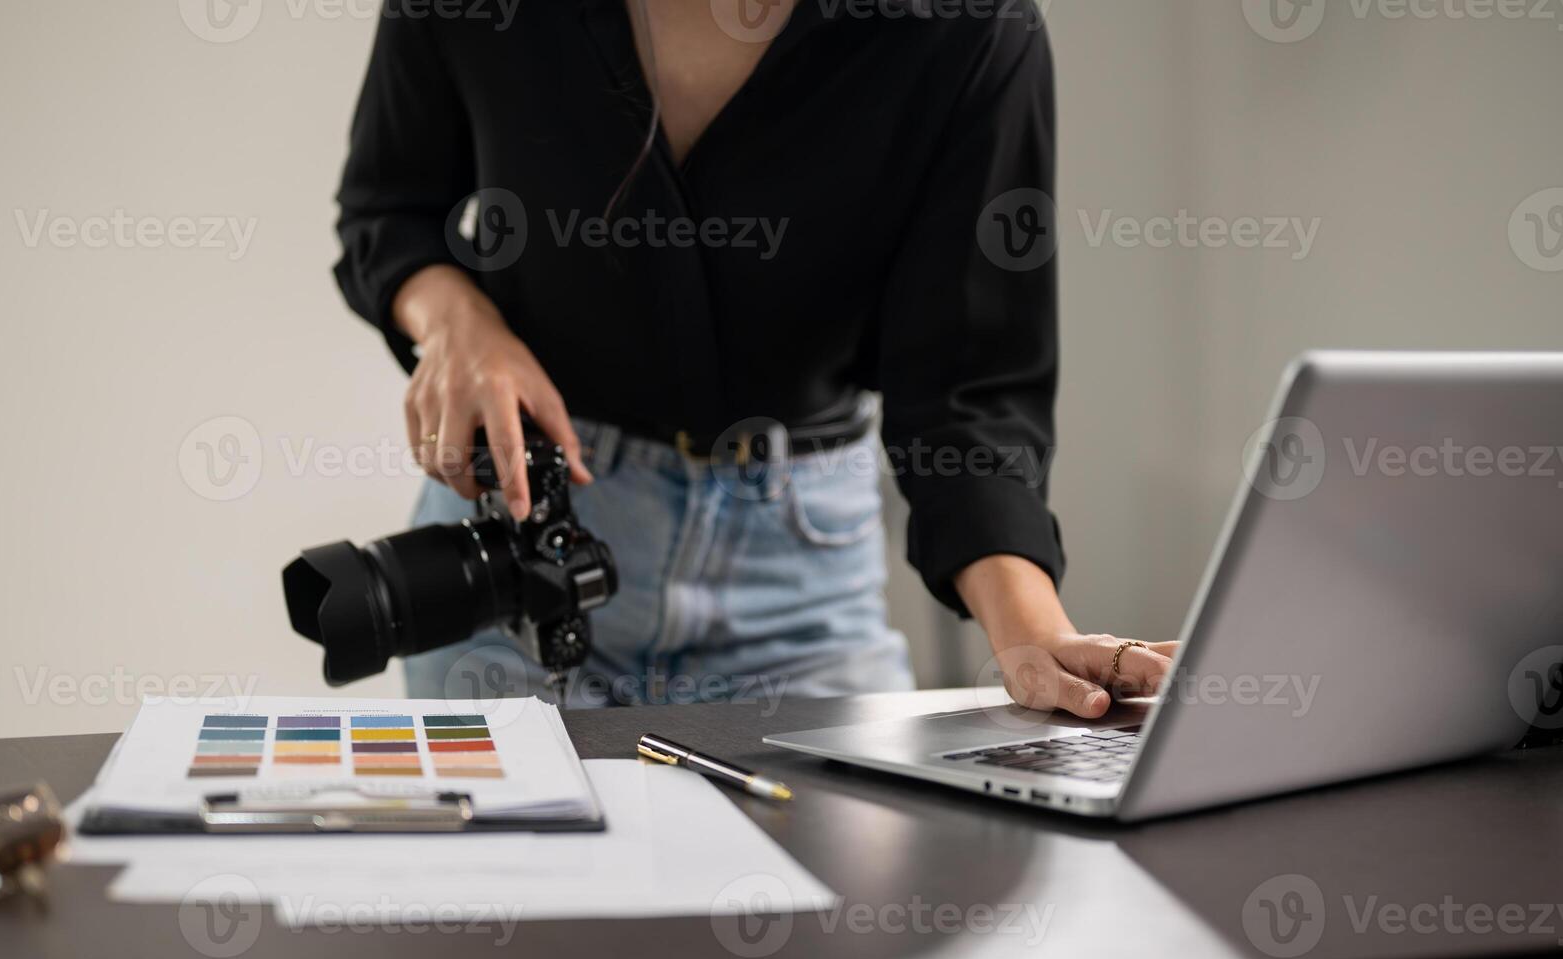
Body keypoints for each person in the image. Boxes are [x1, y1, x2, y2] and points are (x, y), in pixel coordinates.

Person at [332, 0, 1176, 711]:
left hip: (801, 583)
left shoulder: (968, 27)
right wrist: (456, 322)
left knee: (856, 904)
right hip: (519, 550)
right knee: (520, 904)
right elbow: (388, 208)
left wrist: (1032, 632)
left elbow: (965, 390)